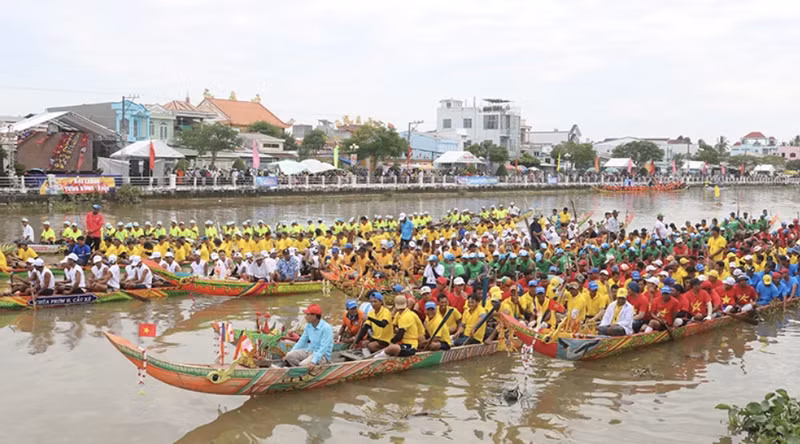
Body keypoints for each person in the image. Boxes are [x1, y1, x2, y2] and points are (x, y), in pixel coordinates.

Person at [284, 304, 333, 368]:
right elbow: (301, 341)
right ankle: (301, 368)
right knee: (289, 355)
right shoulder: (309, 326)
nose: (305, 317)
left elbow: (323, 348)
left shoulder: (326, 328)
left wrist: (313, 361)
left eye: (307, 315)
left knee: (303, 365)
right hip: (310, 350)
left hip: (322, 355)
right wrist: (291, 352)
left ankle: (303, 368)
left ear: (314, 316)